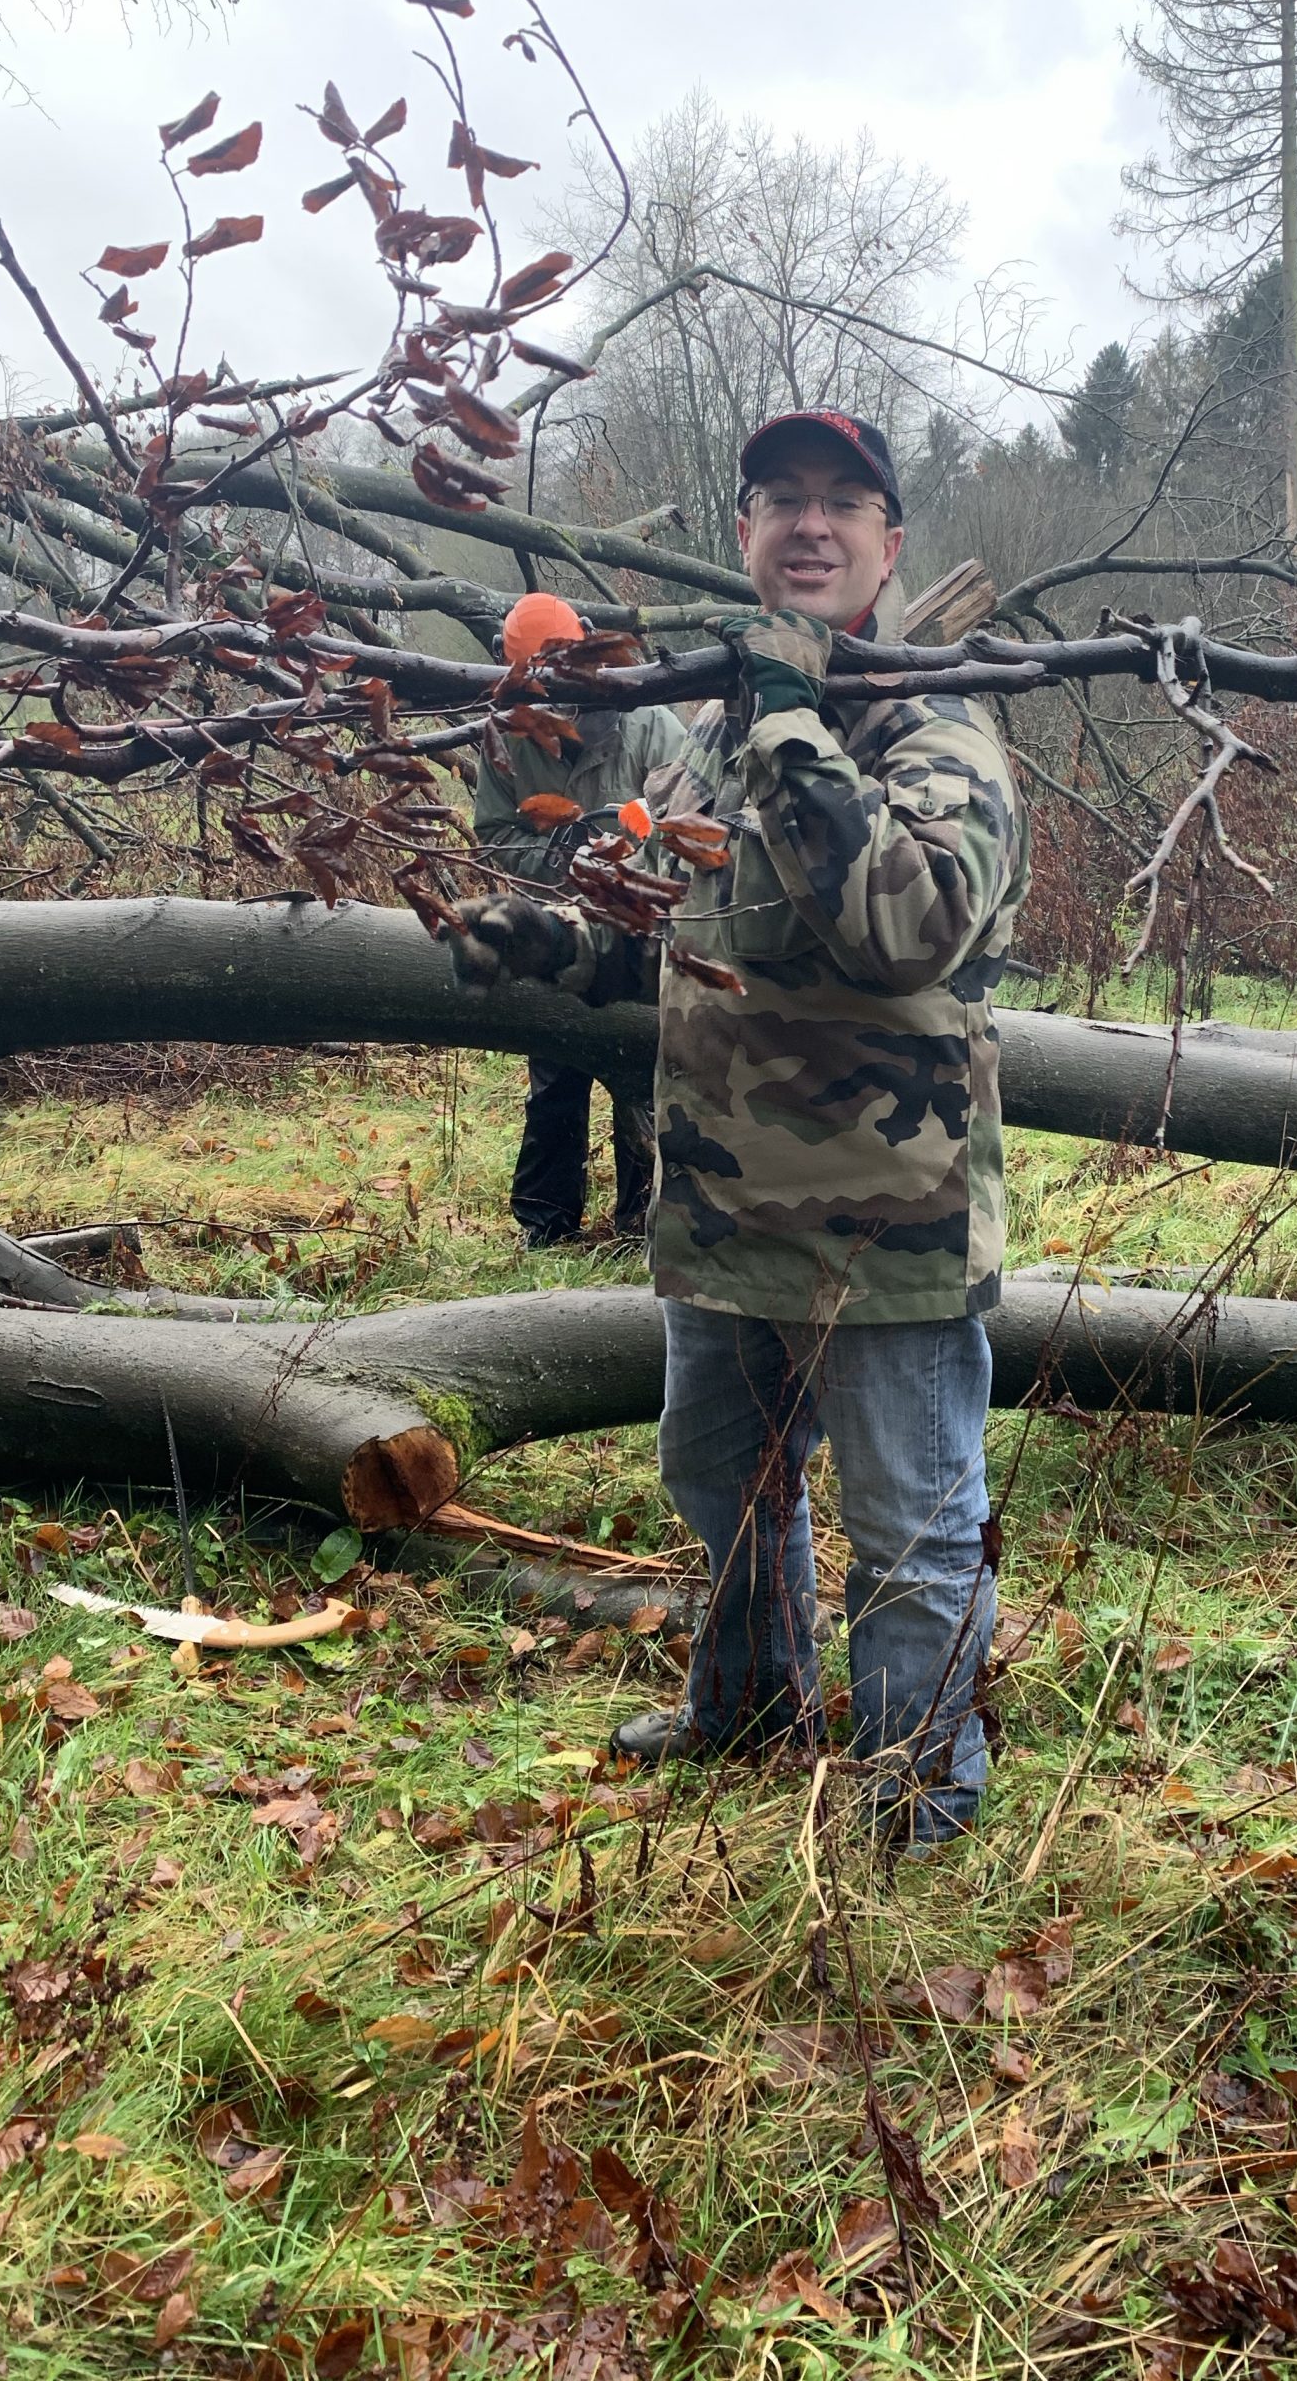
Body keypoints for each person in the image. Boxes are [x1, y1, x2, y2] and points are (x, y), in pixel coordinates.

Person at [451, 413, 1028, 1848]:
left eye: (845, 504)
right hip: (718, 1216)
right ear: (746, 535)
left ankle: (916, 1797)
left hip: (881, 1228)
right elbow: (676, 932)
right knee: (724, 1481)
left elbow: (907, 925)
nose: (811, 526)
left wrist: (788, 718)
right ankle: (753, 1705)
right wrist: (552, 941)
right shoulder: (713, 736)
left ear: (890, 546)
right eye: (782, 501)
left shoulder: (937, 724)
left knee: (911, 1530)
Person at [472, 593, 687, 1248]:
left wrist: (626, 857)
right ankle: (544, 1219)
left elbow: (689, 817)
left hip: (641, 925)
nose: (552, 703)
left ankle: (640, 1219)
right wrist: (557, 854)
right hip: (553, 924)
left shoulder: (648, 720)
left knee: (642, 1078)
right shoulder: (505, 737)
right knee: (555, 1076)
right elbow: (493, 833)